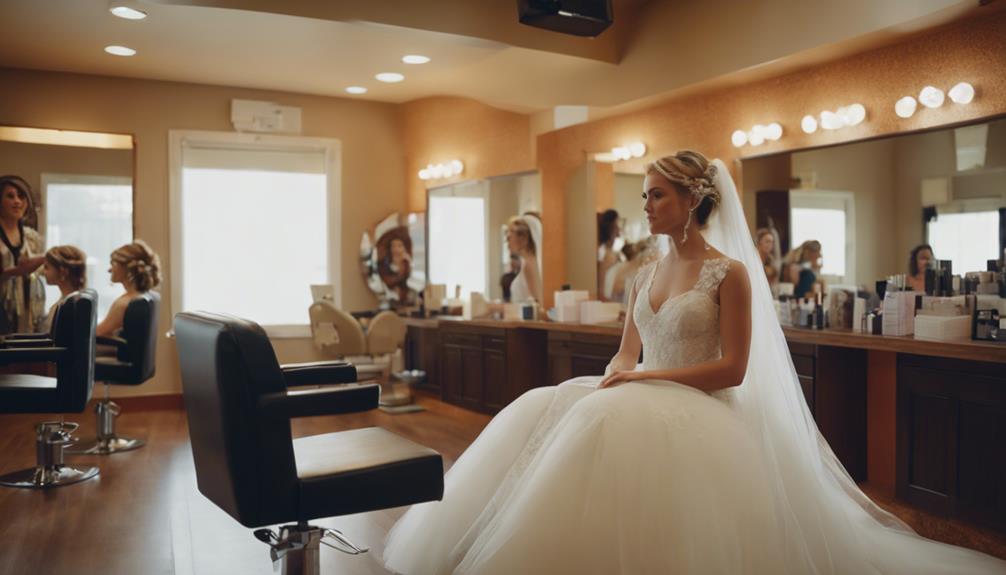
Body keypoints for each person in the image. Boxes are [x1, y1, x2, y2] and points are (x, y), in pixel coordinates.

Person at [383, 150, 1004, 574]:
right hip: (637, 387)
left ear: (690, 199)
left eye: (656, 195)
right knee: (549, 406)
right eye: (646, 196)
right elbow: (627, 349)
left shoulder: (729, 273)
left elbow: (733, 368)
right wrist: (611, 381)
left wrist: (641, 378)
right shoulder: (644, 272)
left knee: (609, 424)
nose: (646, 206)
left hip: (702, 404)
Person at [0, 175, 46, 334]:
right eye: (10, 196)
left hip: (26, 309)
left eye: (21, 196)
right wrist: (16, 271)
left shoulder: (31, 238)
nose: (17, 201)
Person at [96, 240, 160, 338]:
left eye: (113, 264)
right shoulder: (143, 296)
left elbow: (96, 334)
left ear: (127, 268)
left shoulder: (124, 304)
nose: (109, 270)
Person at [40, 245, 87, 333]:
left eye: (47, 267)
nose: (43, 272)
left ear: (63, 272)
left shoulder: (67, 306)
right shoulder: (72, 299)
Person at [505, 214, 542, 303]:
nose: (507, 242)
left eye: (509, 237)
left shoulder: (529, 265)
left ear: (523, 238)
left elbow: (538, 305)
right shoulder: (528, 263)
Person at [377, 234, 414, 306]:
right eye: (393, 246)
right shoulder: (385, 264)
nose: (396, 249)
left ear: (404, 248)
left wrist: (407, 265)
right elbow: (387, 281)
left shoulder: (407, 263)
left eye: (399, 246)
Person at [597, 209, 623, 299]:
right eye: (617, 224)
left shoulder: (613, 252)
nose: (619, 228)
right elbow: (601, 285)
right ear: (611, 227)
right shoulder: (605, 253)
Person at [755, 226, 780, 291]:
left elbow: (774, 283)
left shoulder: (771, 260)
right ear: (759, 242)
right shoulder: (754, 259)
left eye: (772, 242)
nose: (770, 245)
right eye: (767, 241)